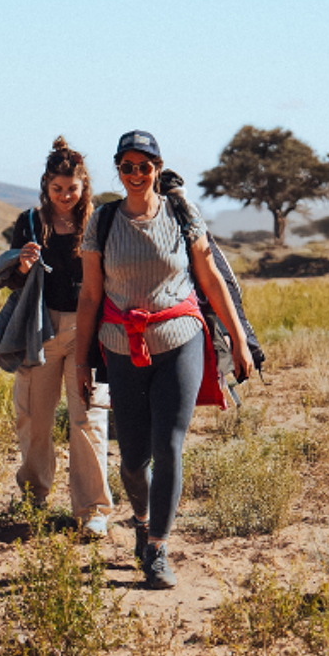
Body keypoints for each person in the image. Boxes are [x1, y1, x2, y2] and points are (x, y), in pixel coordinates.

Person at [75, 130, 254, 589]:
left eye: (145, 166)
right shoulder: (104, 220)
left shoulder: (180, 212)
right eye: (127, 166)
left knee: (168, 445)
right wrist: (81, 363)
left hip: (180, 338)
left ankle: (156, 548)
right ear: (117, 169)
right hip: (121, 347)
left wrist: (237, 339)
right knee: (133, 459)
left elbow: (210, 277)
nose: (136, 174)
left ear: (157, 168)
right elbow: (92, 294)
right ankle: (141, 519)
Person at [0, 137, 115, 536]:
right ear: (45, 185)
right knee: (33, 418)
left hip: (86, 330)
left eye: (72, 189)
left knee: (87, 420)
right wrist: (21, 264)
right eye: (57, 189)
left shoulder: (99, 220)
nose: (65, 196)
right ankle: (34, 496)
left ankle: (93, 511)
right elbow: (13, 281)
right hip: (39, 329)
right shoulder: (30, 221)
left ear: (84, 184)